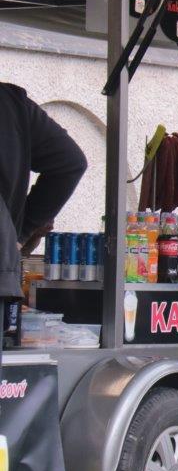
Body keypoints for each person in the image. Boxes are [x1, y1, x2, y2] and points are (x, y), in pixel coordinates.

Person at [0, 82, 87, 305]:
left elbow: (70, 162)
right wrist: (18, 234)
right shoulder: (10, 103)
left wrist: (19, 233)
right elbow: (70, 162)